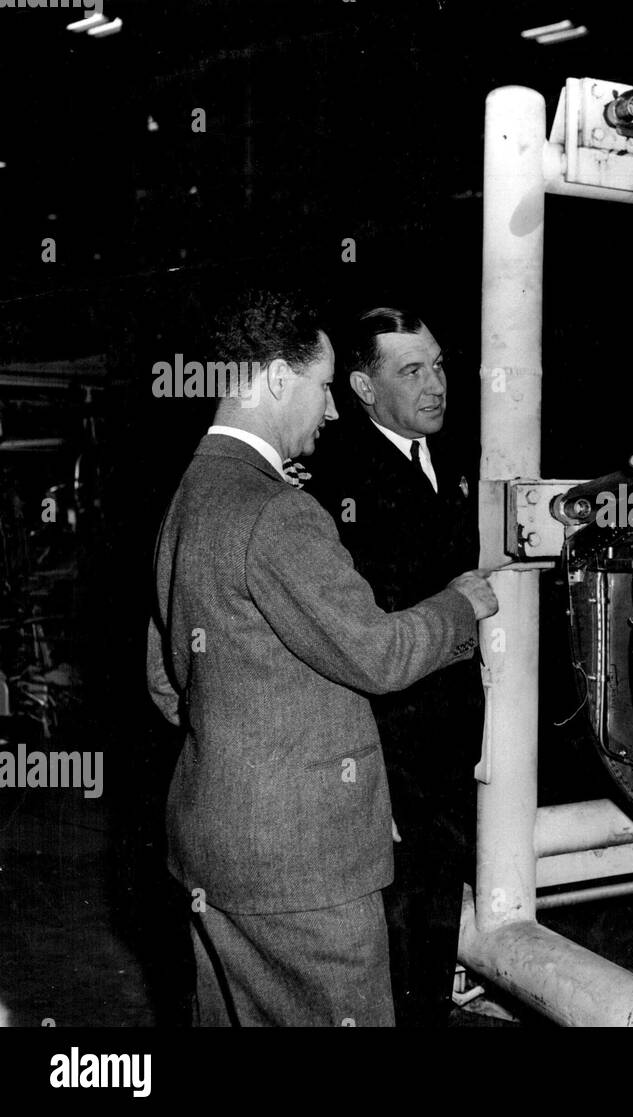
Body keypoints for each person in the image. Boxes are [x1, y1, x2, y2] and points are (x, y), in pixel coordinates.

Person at [144, 290, 497, 1027]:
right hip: (303, 865)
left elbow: (166, 679)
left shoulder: (188, 495)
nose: (332, 411)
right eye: (322, 385)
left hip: (213, 847)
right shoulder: (279, 510)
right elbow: (378, 654)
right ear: (277, 379)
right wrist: (462, 604)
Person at [301, 306, 482, 1026]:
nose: (435, 385)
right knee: (389, 932)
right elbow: (348, 640)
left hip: (450, 737)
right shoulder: (330, 483)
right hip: (380, 749)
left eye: (438, 365)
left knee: (434, 913)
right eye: (411, 370)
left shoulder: (463, 458)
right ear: (363, 388)